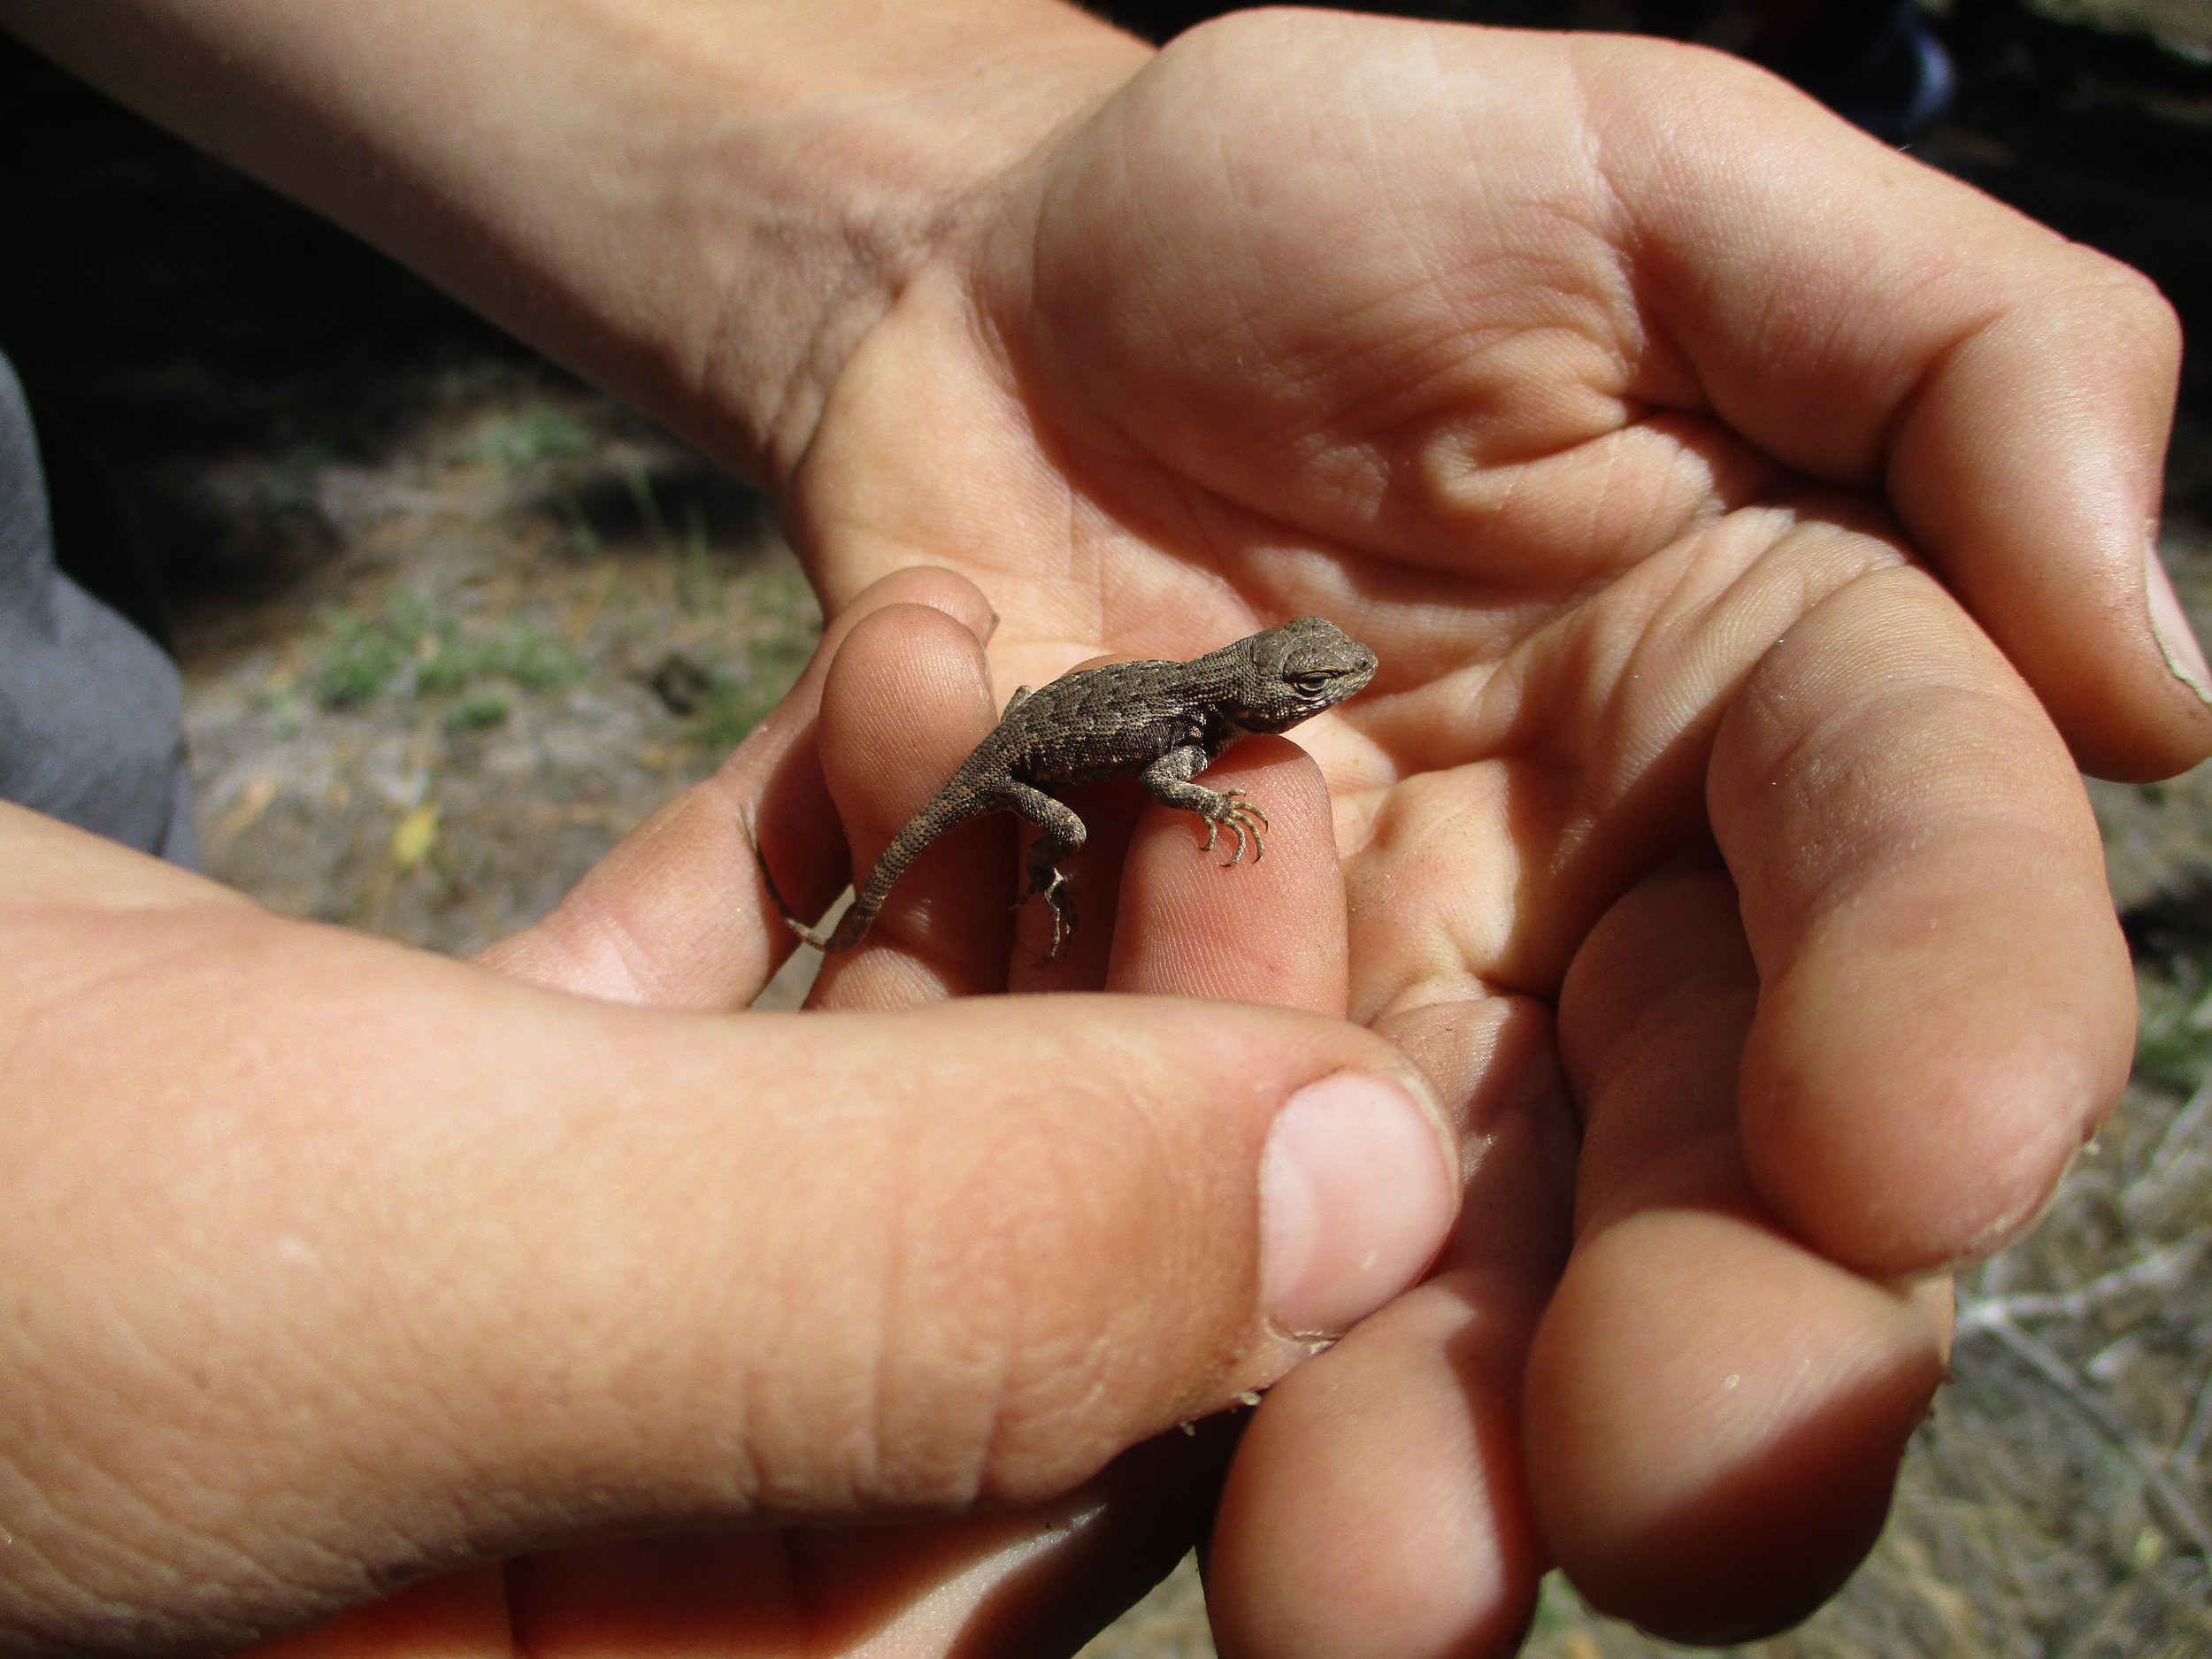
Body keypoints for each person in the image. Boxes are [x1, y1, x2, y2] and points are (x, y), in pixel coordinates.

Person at [0, 3, 2194, 1656]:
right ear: (1264, 703)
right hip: (1015, 762)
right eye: (1306, 694)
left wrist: (964, 216)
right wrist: (1058, 839)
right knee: (994, 856)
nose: (1319, 709)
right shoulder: (1185, 748)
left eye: (1316, 697)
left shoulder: (1237, 710)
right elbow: (1125, 766)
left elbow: (1217, 725)